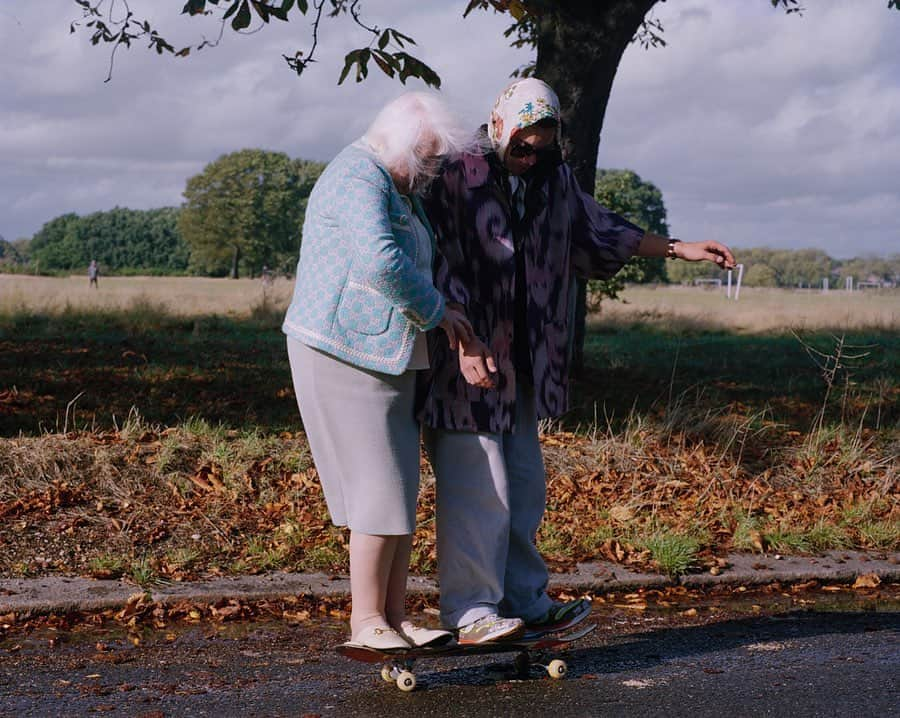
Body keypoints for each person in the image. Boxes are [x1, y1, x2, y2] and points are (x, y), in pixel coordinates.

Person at [420, 78, 736, 644]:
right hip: (462, 355)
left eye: (542, 145)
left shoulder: (552, 179)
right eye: (523, 144)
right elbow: (428, 256)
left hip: (521, 361)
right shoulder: (455, 171)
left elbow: (598, 227)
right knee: (478, 484)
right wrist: (460, 336)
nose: (531, 155)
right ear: (500, 126)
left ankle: (525, 602)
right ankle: (470, 611)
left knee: (522, 484)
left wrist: (680, 248)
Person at [282, 93, 473, 651]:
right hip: (344, 352)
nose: (433, 173)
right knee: (378, 491)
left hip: (382, 352)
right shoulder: (356, 176)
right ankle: (366, 622)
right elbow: (380, 261)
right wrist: (438, 312)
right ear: (406, 145)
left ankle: (394, 615)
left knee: (399, 492)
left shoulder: (390, 183)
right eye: (430, 159)